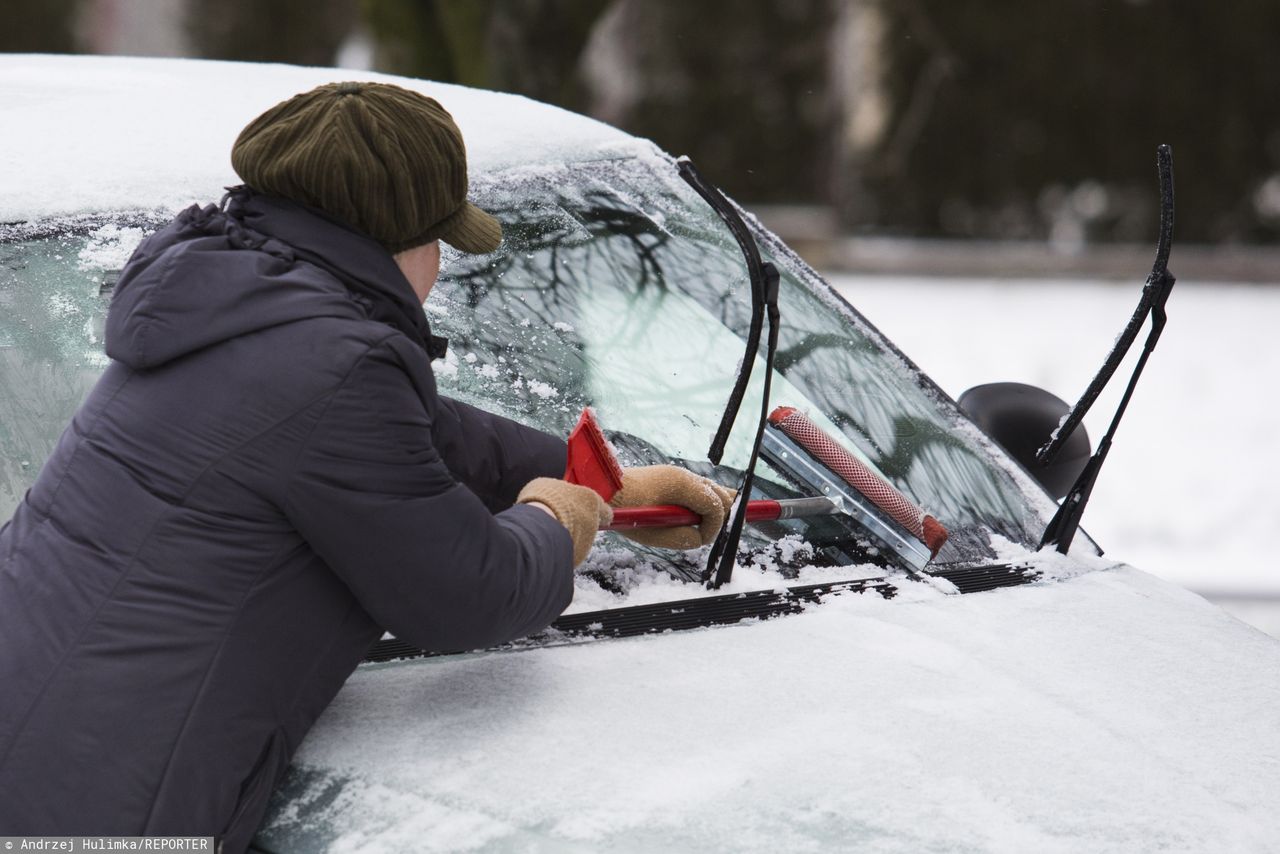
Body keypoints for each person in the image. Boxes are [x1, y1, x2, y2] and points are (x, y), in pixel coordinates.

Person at [0, 81, 732, 849]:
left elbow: (423, 435)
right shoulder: (331, 363)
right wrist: (556, 520)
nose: (440, 267)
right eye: (440, 241)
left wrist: (605, 482)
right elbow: (463, 594)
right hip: (105, 804)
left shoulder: (233, 303)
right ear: (398, 243)